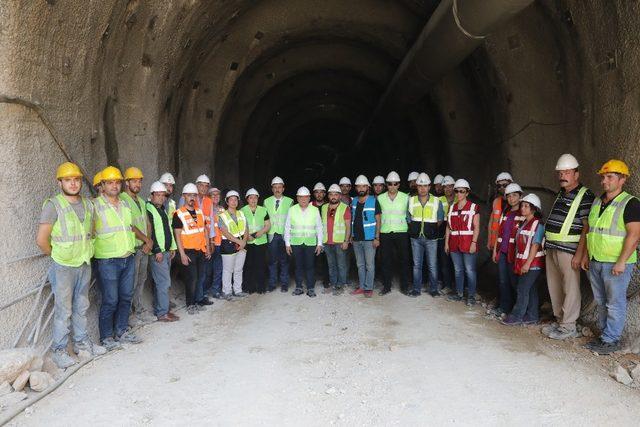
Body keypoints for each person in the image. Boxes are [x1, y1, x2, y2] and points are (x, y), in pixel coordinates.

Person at [36, 162, 106, 368]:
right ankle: (59, 351)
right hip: (63, 266)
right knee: (63, 310)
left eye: (76, 179)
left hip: (83, 263)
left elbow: (90, 232)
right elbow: (41, 240)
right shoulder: (53, 205)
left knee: (81, 306)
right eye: (68, 180)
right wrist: (58, 256)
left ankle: (82, 345)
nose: (74, 183)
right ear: (60, 183)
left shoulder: (87, 204)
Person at [581, 160, 640, 355]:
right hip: (596, 260)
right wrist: (587, 256)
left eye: (609, 177)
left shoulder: (630, 203)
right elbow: (592, 230)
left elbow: (634, 235)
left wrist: (622, 261)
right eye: (603, 177)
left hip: (616, 263)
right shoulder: (598, 202)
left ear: (622, 179)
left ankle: (611, 340)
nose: (604, 181)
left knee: (615, 302)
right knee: (601, 301)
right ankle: (606, 337)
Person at [93, 166, 150, 349]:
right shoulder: (95, 206)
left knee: (126, 296)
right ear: (102, 185)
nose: (114, 186)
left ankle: (122, 331)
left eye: (117, 182)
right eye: (110, 183)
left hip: (128, 256)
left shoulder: (125, 205)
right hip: (107, 259)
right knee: (110, 299)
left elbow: (130, 228)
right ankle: (106, 337)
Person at [542, 154, 595, 340]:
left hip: (570, 251)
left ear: (577, 174)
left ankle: (568, 326)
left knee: (570, 288)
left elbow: (587, 227)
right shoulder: (561, 193)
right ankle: (560, 321)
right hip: (552, 247)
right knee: (554, 286)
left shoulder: (585, 195)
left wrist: (580, 254)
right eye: (560, 172)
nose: (562, 175)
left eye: (567, 172)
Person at [502, 194, 545, 326]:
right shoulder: (524, 222)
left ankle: (517, 315)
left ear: (534, 209)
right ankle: (532, 315)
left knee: (522, 288)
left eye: (527, 206)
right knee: (530, 289)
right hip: (524, 262)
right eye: (522, 205)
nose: (523, 208)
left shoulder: (538, 224)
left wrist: (527, 263)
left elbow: (535, 245)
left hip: (533, 263)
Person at [120, 167, 153, 324]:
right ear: (127, 182)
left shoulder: (140, 201)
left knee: (141, 280)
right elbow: (130, 226)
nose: (137, 184)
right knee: (130, 284)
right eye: (134, 181)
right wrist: (147, 240)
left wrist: (149, 241)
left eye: (139, 181)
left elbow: (146, 222)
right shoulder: (122, 200)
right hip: (133, 249)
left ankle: (139, 310)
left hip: (144, 248)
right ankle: (129, 316)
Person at [173, 183, 211, 314]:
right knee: (192, 278)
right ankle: (190, 304)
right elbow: (177, 235)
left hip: (200, 250)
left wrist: (207, 248)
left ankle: (197, 300)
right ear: (184, 196)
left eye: (194, 195)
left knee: (200, 277)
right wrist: (182, 254)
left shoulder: (200, 212)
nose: (192, 198)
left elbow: (204, 231)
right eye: (189, 195)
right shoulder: (178, 214)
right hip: (188, 251)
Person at [145, 181, 179, 322]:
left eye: (163, 195)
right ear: (151, 195)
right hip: (158, 253)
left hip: (166, 251)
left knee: (164, 282)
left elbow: (168, 230)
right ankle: (162, 313)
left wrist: (172, 246)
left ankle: (163, 309)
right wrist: (156, 250)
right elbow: (150, 232)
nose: (161, 197)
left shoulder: (162, 209)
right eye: (157, 195)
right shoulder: (149, 209)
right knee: (163, 282)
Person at [408, 173, 445, 298]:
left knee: (432, 265)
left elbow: (440, 218)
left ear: (430, 187)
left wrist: (431, 229)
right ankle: (416, 289)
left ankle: (433, 289)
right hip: (416, 238)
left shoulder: (436, 201)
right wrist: (414, 228)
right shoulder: (411, 200)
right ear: (417, 187)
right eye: (420, 186)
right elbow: (408, 217)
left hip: (431, 239)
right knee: (417, 265)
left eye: (425, 186)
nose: (422, 188)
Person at [491, 183, 524, 318]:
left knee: (514, 282)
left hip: (514, 254)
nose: (511, 199)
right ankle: (505, 307)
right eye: (509, 196)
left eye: (514, 195)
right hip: (503, 252)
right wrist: (495, 251)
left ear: (520, 196)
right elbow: (499, 233)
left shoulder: (523, 213)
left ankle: (517, 309)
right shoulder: (506, 212)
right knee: (503, 281)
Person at [445, 179, 480, 306]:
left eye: (462, 191)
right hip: (454, 243)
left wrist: (474, 242)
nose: (459, 194)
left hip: (468, 243)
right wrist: (446, 243)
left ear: (467, 193)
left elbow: (476, 227)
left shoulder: (473, 207)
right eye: (457, 191)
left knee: (469, 270)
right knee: (458, 270)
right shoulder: (452, 207)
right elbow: (448, 226)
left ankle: (471, 296)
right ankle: (459, 294)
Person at [284, 186, 323, 297]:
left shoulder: (314, 210)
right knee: (298, 266)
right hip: (296, 243)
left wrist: (319, 243)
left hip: (310, 243)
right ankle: (299, 287)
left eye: (305, 197)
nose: (303, 199)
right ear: (297, 198)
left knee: (310, 266)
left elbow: (319, 227)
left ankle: (310, 288)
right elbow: (287, 227)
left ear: (309, 197)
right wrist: (287, 244)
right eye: (301, 197)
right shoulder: (292, 210)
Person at [377, 171, 410, 295]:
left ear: (399, 184)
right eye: (390, 184)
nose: (392, 186)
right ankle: (387, 286)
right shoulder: (380, 198)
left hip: (401, 231)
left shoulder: (406, 197)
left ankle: (405, 286)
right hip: (385, 232)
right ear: (386, 185)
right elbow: (378, 217)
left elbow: (409, 215)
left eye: (395, 184)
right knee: (386, 260)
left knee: (404, 260)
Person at [350, 175, 381, 297]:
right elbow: (352, 219)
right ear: (356, 188)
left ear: (368, 187)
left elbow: (378, 220)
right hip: (357, 238)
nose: (361, 188)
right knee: (360, 264)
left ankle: (369, 288)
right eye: (359, 186)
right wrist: (351, 235)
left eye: (363, 186)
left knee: (369, 264)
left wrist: (377, 237)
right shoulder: (354, 201)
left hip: (369, 239)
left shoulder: (374, 201)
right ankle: (362, 286)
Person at [264, 176, 294, 292]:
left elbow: (291, 219)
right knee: (272, 261)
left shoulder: (289, 201)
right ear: (272, 189)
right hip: (271, 234)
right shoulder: (266, 201)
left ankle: (284, 283)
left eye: (279, 187)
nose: (277, 189)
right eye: (275, 187)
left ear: (283, 189)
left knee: (284, 260)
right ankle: (272, 283)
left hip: (284, 235)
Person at [321, 184, 351, 295]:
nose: (333, 196)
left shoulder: (345, 207)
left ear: (340, 196)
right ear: (328, 196)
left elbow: (348, 226)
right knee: (331, 264)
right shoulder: (324, 208)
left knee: (341, 264)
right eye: (331, 194)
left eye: (336, 194)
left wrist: (346, 241)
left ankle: (341, 285)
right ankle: (333, 284)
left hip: (339, 242)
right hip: (327, 241)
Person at [219, 190, 249, 298]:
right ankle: (227, 292)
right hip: (228, 244)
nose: (233, 201)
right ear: (227, 202)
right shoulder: (222, 216)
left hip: (241, 244)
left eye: (235, 199)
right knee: (228, 270)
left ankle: (238, 290)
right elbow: (225, 233)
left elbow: (246, 229)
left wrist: (244, 242)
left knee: (238, 269)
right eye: (231, 199)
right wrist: (240, 242)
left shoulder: (241, 214)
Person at [241, 188, 270, 294]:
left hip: (260, 241)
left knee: (261, 264)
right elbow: (240, 226)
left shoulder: (263, 210)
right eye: (251, 198)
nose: (253, 200)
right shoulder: (242, 211)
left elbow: (268, 225)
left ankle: (261, 287)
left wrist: (261, 232)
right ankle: (250, 287)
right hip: (248, 241)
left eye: (255, 198)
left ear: (258, 199)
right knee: (249, 265)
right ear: (247, 199)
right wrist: (246, 236)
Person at [437, 175, 456, 294]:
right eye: (445, 187)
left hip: (456, 233)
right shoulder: (439, 200)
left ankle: (458, 286)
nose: (448, 189)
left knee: (456, 261)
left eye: (450, 186)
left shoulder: (459, 199)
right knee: (444, 260)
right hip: (442, 231)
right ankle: (447, 284)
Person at [487, 172, 513, 250]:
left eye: (505, 185)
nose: (502, 188)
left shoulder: (516, 203)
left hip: (509, 245)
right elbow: (491, 223)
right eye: (499, 186)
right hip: (495, 243)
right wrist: (489, 240)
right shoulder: (496, 201)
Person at [207, 187, 224, 299]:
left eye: (218, 195)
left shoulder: (222, 210)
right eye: (213, 195)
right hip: (208, 243)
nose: (216, 197)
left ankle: (216, 290)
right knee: (207, 269)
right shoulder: (205, 209)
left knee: (218, 268)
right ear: (208, 197)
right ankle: (205, 291)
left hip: (220, 242)